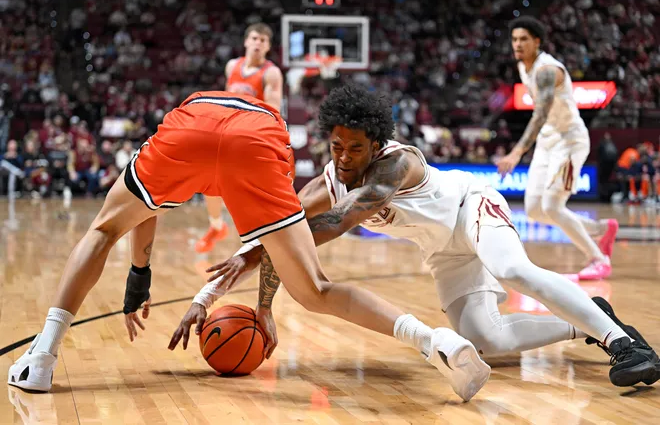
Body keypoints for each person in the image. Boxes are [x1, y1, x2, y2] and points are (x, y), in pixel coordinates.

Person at [8, 90, 490, 403]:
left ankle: (42, 359)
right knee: (316, 289)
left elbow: (144, 212)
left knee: (101, 229)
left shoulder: (192, 106)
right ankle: (437, 342)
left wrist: (140, 277)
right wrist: (262, 306)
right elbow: (270, 247)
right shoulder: (274, 127)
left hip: (188, 130)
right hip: (256, 145)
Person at [173, 84, 660, 390]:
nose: (343, 157)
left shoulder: (396, 165)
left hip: (473, 208)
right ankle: (591, 319)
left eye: (355, 148)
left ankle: (624, 344)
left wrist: (257, 250)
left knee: (513, 269)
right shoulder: (327, 180)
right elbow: (286, 239)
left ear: (377, 145)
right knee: (487, 338)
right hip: (443, 249)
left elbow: (323, 227)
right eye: (337, 145)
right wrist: (243, 296)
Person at [496, 16, 618, 280]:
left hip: (569, 141)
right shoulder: (522, 66)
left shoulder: (547, 71)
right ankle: (599, 230)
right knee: (533, 209)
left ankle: (599, 259)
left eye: (523, 39)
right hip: (547, 140)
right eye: (514, 39)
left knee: (552, 206)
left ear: (537, 41)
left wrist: (517, 152)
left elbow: (540, 114)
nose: (517, 44)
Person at [195, 23, 284, 254]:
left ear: (268, 46)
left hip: (254, 135)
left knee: (254, 194)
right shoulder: (232, 66)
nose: (258, 43)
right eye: (254, 38)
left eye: (263, 40)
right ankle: (216, 226)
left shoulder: (271, 73)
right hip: (228, 133)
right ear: (246, 41)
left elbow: (273, 111)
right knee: (209, 181)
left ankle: (269, 240)